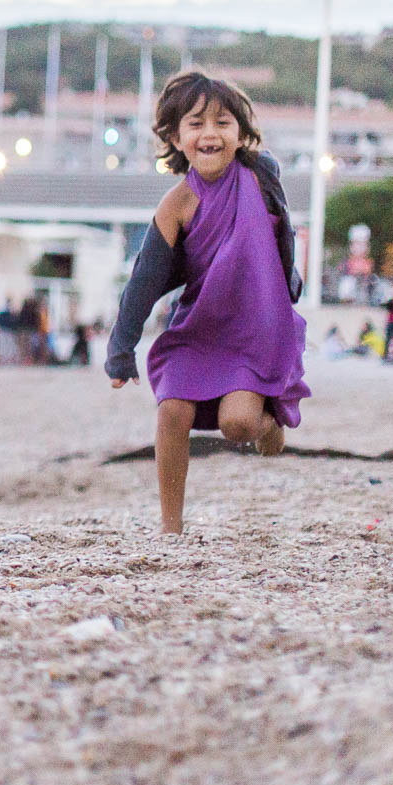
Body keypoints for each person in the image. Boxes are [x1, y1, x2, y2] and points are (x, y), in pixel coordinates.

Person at [106, 71, 309, 535]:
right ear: (176, 137)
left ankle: (268, 420)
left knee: (237, 425)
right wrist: (121, 348)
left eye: (223, 122)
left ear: (241, 134)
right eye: (196, 124)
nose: (210, 134)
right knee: (171, 410)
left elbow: (285, 235)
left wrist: (290, 285)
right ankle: (171, 527)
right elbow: (143, 282)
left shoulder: (261, 177)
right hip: (198, 327)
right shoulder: (176, 205)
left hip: (254, 328)